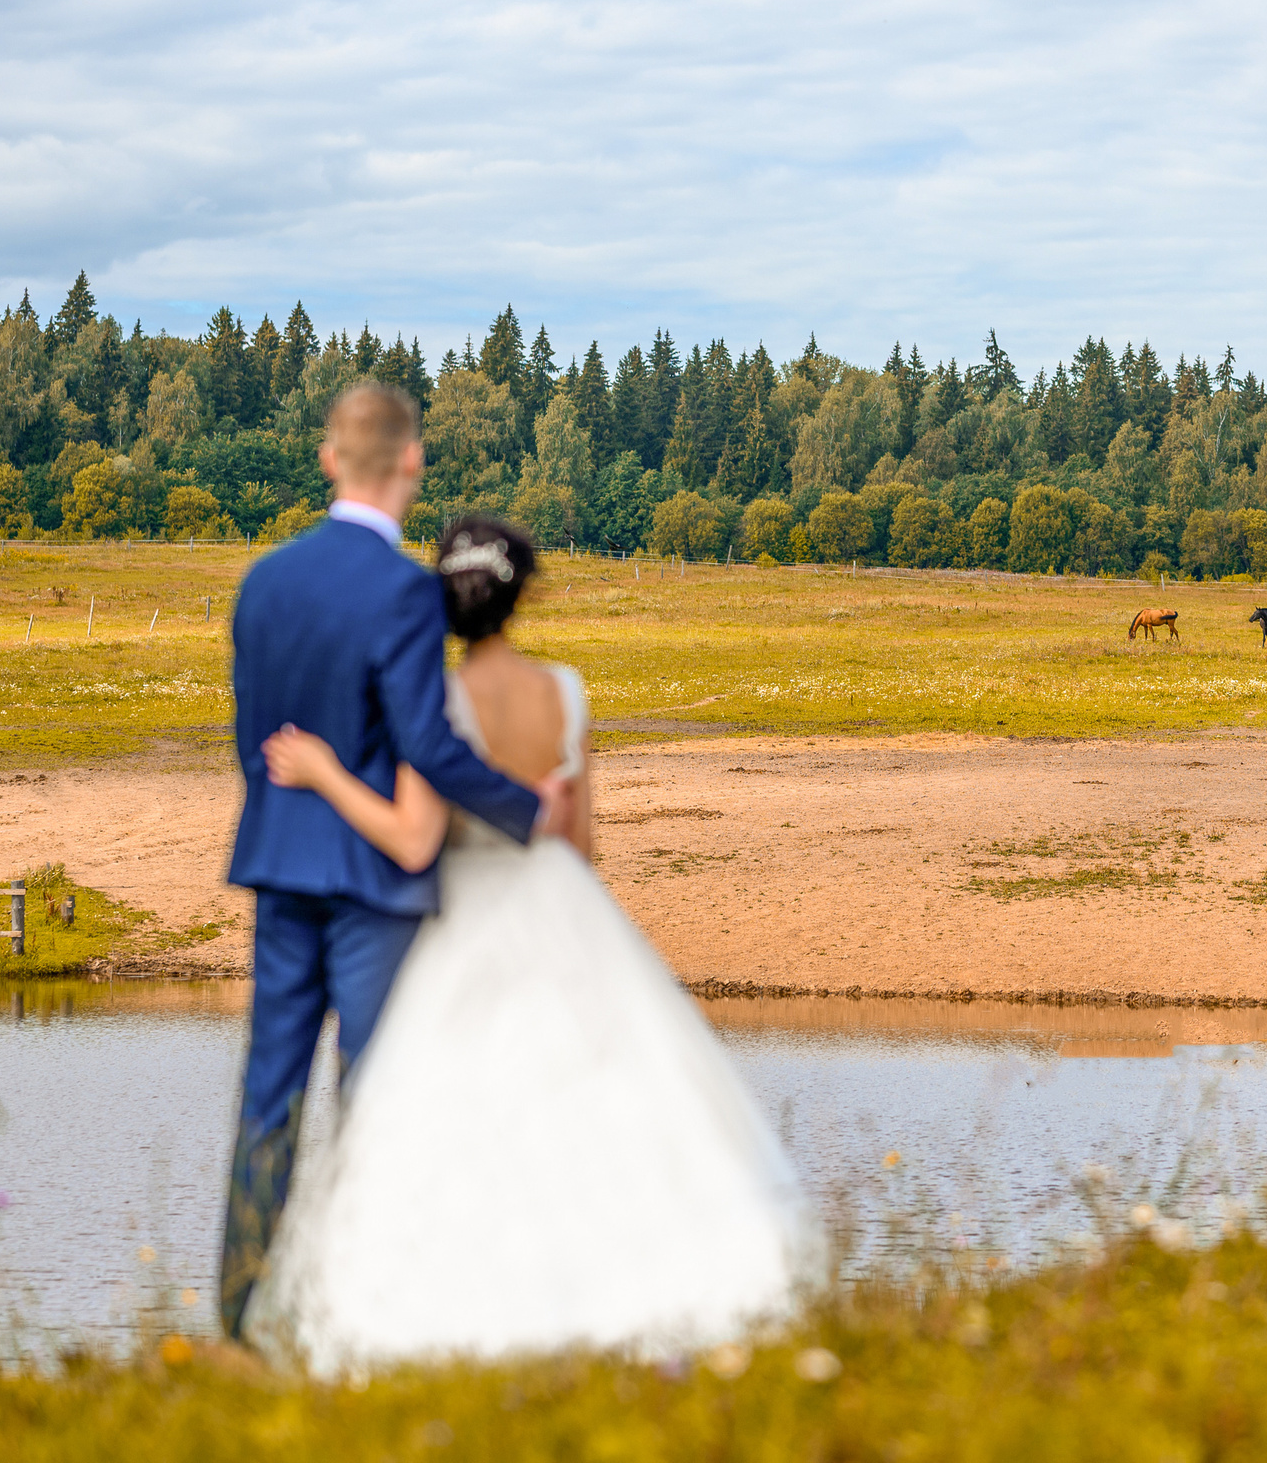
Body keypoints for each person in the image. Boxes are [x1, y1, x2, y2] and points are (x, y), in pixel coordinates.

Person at [240, 513, 819, 1369]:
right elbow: (581, 848)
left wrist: (325, 773)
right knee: (587, 1104)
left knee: (451, 1111)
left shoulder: (433, 700)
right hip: (558, 907)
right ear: (520, 596)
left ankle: (445, 1314)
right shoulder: (566, 691)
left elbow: (412, 839)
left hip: (465, 913)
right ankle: (597, 1297)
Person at [219, 383, 569, 1343]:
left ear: (329, 458)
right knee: (371, 1092)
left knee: (269, 1096)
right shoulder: (406, 593)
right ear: (410, 461)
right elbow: (428, 741)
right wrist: (526, 809)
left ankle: (239, 1317)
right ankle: (358, 1313)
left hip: (283, 866)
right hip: (376, 880)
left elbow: (255, 737)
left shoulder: (264, 582)